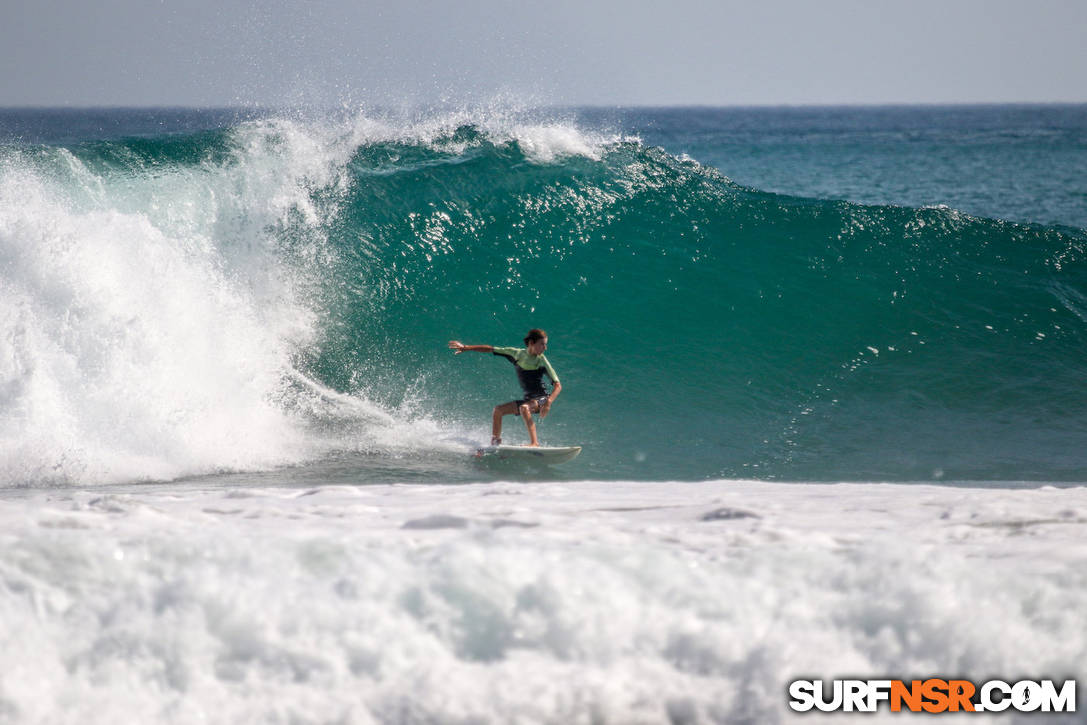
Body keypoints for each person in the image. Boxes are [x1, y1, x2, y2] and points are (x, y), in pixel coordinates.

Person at [448, 329, 562, 447]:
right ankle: (495, 443)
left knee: (524, 408)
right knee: (498, 410)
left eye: (545, 344)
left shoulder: (542, 360)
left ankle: (534, 443)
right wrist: (466, 347)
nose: (545, 348)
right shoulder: (516, 354)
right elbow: (490, 349)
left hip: (542, 398)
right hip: (529, 399)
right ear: (531, 343)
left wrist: (548, 402)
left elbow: (558, 385)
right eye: (542, 344)